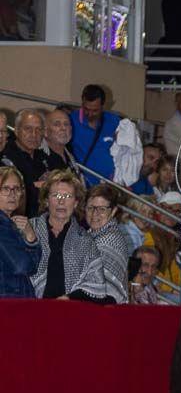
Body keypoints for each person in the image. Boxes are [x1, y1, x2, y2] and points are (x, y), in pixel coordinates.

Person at [30, 169, 106, 300]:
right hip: (28, 307)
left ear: (76, 203)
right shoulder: (29, 228)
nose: (61, 201)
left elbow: (96, 286)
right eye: (56, 195)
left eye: (67, 196)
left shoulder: (85, 241)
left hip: (69, 311)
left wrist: (69, 298)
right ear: (46, 201)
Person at [4, 108, 67, 216]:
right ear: (16, 130)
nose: (33, 134)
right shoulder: (6, 155)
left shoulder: (49, 157)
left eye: (38, 129)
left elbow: (66, 184)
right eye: (28, 128)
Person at [84, 183, 129, 303]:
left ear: (113, 211)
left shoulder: (110, 239)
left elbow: (95, 286)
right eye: (90, 208)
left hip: (107, 310)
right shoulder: (89, 235)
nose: (95, 214)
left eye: (102, 209)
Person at [0, 164, 41, 297]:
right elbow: (22, 266)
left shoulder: (10, 223)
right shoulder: (2, 224)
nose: (12, 194)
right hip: (8, 305)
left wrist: (30, 237)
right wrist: (32, 242)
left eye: (16, 189)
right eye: (5, 189)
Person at [68, 85, 122, 185]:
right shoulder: (71, 120)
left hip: (110, 183)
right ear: (82, 102)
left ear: (103, 106)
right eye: (86, 109)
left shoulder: (114, 121)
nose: (89, 114)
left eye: (95, 110)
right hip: (83, 182)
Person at [43, 108, 78, 174]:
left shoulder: (71, 155)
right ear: (45, 131)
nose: (63, 128)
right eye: (57, 124)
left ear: (71, 129)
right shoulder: (37, 156)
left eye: (66, 124)